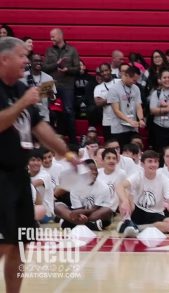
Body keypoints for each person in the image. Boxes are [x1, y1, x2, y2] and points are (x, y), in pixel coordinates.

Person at [0, 37, 80, 293]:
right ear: (4, 59)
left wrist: (66, 153)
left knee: (21, 243)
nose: (27, 60)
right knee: (2, 244)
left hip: (18, 178)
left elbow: (39, 127)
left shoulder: (21, 88)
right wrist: (23, 103)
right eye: (22, 56)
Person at [116, 150, 169, 236]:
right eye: (150, 161)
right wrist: (125, 201)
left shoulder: (164, 179)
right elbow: (119, 186)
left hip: (156, 213)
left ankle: (135, 228)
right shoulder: (138, 176)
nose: (153, 164)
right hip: (137, 211)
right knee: (125, 192)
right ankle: (127, 221)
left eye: (155, 161)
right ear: (143, 164)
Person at [43, 28, 80, 143]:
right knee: (46, 110)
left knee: (68, 111)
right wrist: (56, 64)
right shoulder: (49, 50)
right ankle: (47, 140)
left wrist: (67, 69)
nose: (51, 39)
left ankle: (73, 141)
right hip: (50, 83)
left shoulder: (72, 50)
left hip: (67, 85)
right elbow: (44, 68)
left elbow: (78, 69)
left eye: (53, 36)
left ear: (60, 36)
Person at [54, 159, 113, 230]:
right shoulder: (75, 186)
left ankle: (72, 223)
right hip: (80, 214)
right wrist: (79, 215)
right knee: (57, 206)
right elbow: (77, 208)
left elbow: (94, 209)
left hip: (95, 214)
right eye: (91, 170)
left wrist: (78, 214)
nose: (94, 172)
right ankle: (90, 225)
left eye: (95, 170)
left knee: (107, 210)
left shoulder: (104, 187)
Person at [108, 65, 146, 147]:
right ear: (127, 75)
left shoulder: (135, 88)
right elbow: (116, 110)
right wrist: (129, 121)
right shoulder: (114, 89)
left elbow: (138, 105)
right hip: (119, 128)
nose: (135, 82)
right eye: (134, 80)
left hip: (133, 127)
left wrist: (141, 119)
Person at [20, 54, 57, 122]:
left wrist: (51, 95)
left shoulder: (48, 78)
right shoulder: (22, 77)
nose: (39, 63)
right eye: (36, 61)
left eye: (40, 61)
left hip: (44, 115)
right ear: (30, 62)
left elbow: (53, 100)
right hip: (27, 116)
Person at [94, 63, 118, 139]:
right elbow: (98, 103)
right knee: (109, 146)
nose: (104, 73)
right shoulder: (98, 87)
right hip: (108, 122)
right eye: (102, 71)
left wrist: (105, 100)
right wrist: (114, 98)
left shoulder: (119, 82)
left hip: (121, 121)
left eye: (106, 70)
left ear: (110, 70)